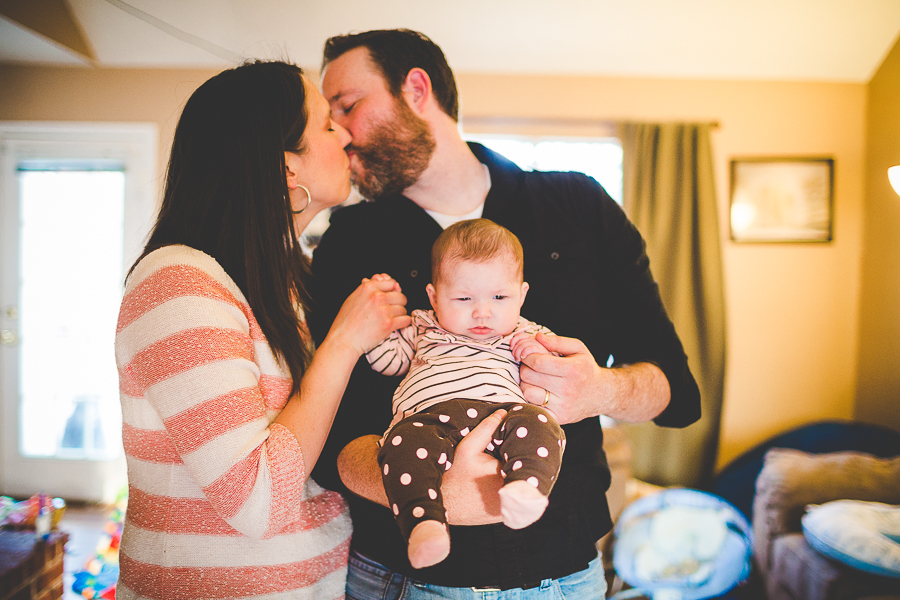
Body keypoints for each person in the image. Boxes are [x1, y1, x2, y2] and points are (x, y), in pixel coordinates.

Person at [307, 29, 702, 600]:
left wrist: (602, 392)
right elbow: (327, 434)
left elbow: (677, 388)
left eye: (347, 106)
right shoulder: (347, 240)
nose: (339, 131)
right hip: (397, 578)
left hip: (563, 577)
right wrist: (440, 495)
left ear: (417, 90)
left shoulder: (579, 206)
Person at [113, 60, 410, 600]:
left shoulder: (284, 284)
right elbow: (257, 499)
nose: (345, 133)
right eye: (326, 124)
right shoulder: (179, 284)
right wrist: (344, 343)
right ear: (286, 170)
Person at [367, 219, 565, 569]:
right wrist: (381, 314)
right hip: (428, 420)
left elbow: (558, 377)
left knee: (542, 424)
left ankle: (524, 488)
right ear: (434, 296)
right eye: (463, 298)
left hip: (503, 417)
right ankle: (424, 525)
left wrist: (536, 354)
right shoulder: (423, 325)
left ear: (521, 295)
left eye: (500, 297)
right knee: (399, 446)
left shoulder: (525, 332)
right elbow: (386, 360)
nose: (482, 312)